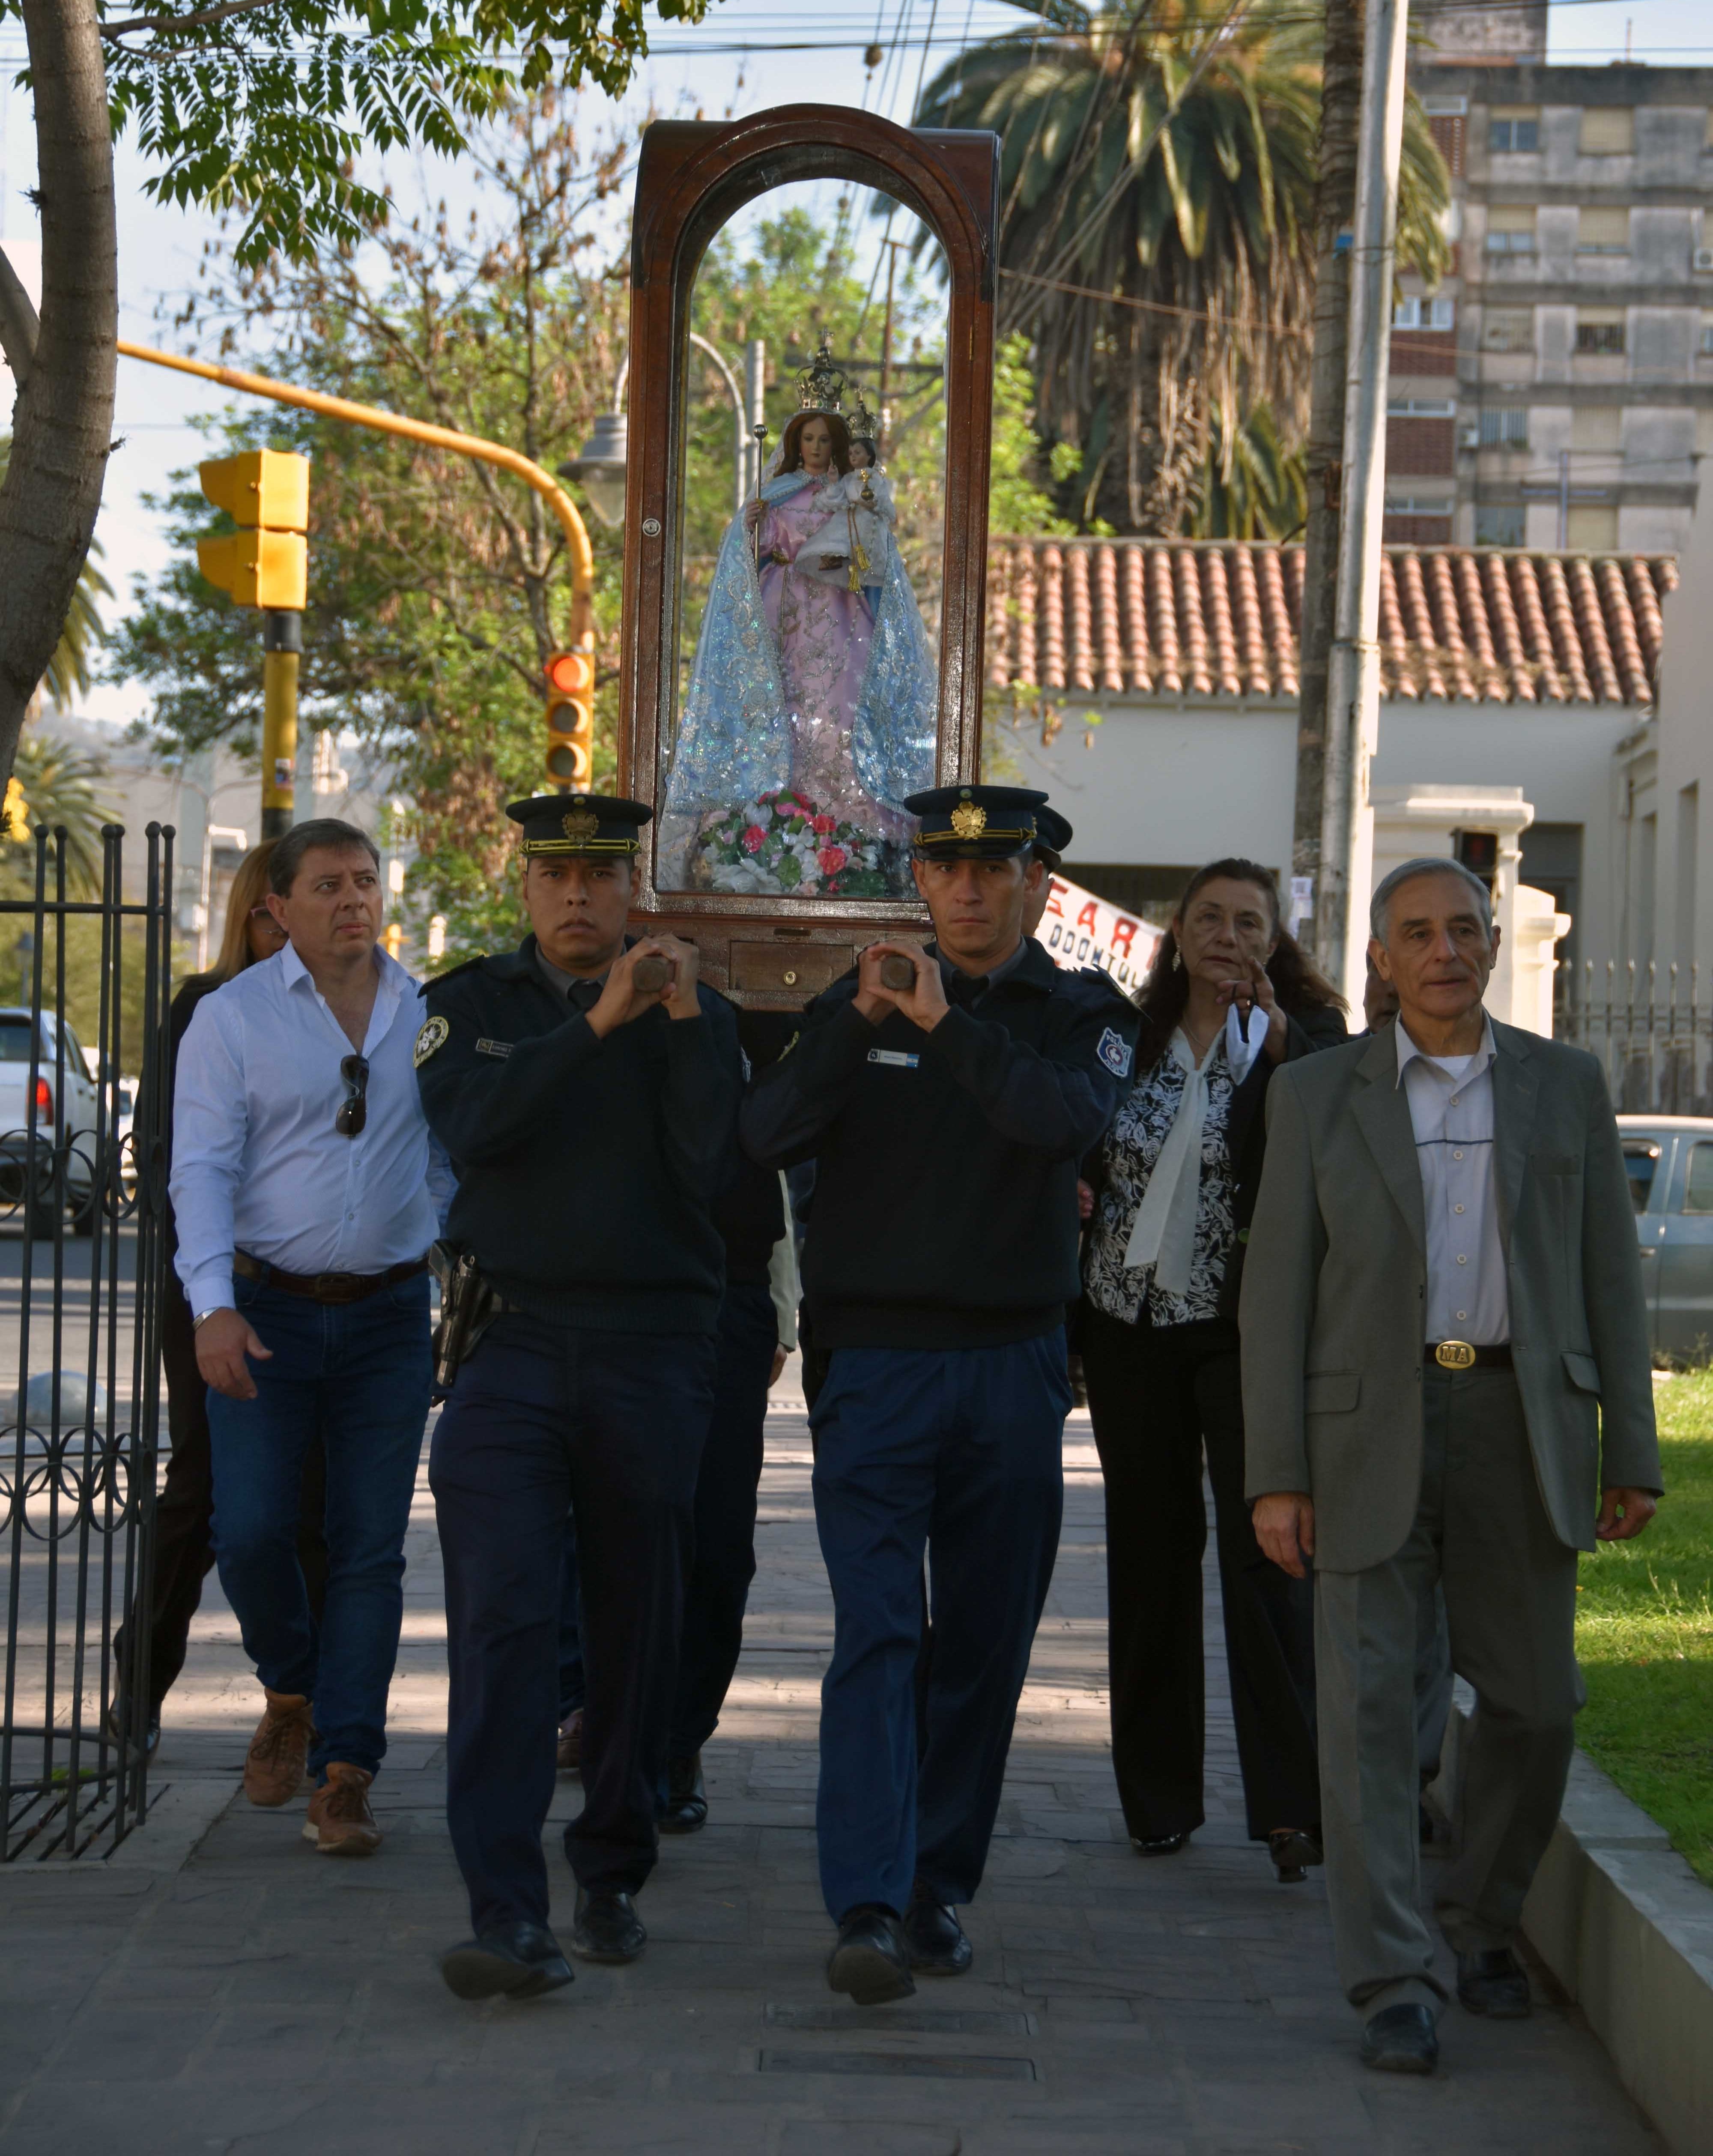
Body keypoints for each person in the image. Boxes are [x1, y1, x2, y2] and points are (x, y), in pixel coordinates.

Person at [1242, 854, 1662, 2075]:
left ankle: (1481, 1920)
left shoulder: (1565, 1085)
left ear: (1491, 946)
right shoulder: (1318, 1096)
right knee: (1369, 1715)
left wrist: (1631, 1445)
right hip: (1366, 1427)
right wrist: (1278, 1472)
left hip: (1521, 1419)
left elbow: (1609, 1278)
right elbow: (1276, 1296)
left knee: (1538, 1703)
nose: (1445, 950)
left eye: (1464, 929)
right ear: (1379, 960)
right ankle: (1392, 1979)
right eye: (1417, 933)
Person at [742, 783, 1139, 2006]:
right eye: (944, 869)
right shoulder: (854, 1004)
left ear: (1033, 882)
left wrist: (950, 1027)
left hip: (1013, 1367)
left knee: (979, 1641)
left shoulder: (1082, 1013)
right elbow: (760, 1133)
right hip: (874, 1367)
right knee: (878, 1631)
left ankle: (935, 1888)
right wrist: (855, 1025)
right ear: (918, 881)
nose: (966, 889)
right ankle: (864, 1900)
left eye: (993, 869)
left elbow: (1062, 1120)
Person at [418, 792, 743, 2004]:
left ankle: (610, 1867)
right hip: (509, 1349)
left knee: (633, 1620)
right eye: (555, 873)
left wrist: (677, 1019)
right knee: (499, 1629)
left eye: (600, 877)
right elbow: (482, 1128)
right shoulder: (466, 1007)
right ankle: (504, 1911)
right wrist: (598, 1023)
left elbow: (709, 1154)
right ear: (525, 885)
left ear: (629, 889)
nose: (576, 895)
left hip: (649, 1348)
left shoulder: (691, 1011)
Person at [171, 819, 451, 1857]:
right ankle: (290, 1688)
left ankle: (345, 1769)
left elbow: (450, 1145)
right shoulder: (231, 1018)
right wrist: (212, 1305)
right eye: (328, 885)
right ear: (276, 909)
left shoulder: (425, 1013)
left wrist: (436, 1237)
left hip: (386, 1318)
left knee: (371, 1549)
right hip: (267, 1313)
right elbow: (197, 1167)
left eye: (366, 883)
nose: (353, 901)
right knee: (247, 1531)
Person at [1078, 860, 1346, 1883]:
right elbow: (1080, 1133)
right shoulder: (1126, 1037)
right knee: (1148, 1558)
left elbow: (1340, 1133)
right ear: (1176, 931)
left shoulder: (1301, 1042)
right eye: (1208, 918)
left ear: (1274, 938)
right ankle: (1157, 1798)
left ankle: (1289, 1808)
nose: (1226, 935)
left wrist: (1277, 1040)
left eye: (1247, 921)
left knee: (1264, 1558)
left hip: (1244, 1334)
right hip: (1126, 1321)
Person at [109, 842, 332, 1761]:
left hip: (321, 1292)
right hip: (216, 1285)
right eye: (273, 915)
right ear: (254, 913)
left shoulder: (348, 1005)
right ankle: (139, 1686)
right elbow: (171, 1158)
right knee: (201, 1488)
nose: (289, 931)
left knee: (310, 1504)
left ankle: (308, 1708)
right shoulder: (206, 1005)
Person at [658, 342, 935, 897]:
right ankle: (761, 813)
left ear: (835, 444)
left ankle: (845, 821)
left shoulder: (845, 497)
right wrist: (751, 528)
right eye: (806, 439)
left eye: (823, 440)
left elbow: (872, 553)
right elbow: (746, 554)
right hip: (778, 612)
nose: (814, 448)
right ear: (795, 443)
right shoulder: (777, 494)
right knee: (771, 702)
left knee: (836, 707)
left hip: (835, 615)